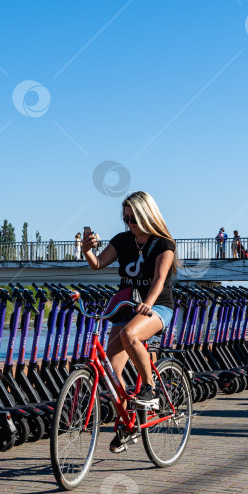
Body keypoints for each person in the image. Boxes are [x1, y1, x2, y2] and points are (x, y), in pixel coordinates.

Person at [82, 191, 176, 453]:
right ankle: (127, 425)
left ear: (146, 216)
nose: (129, 225)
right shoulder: (122, 240)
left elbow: (159, 279)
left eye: (133, 219)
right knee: (111, 374)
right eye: (126, 220)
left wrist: (149, 303)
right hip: (127, 304)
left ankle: (151, 388)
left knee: (130, 335)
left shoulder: (163, 244)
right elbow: (98, 264)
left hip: (157, 305)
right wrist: (87, 251)